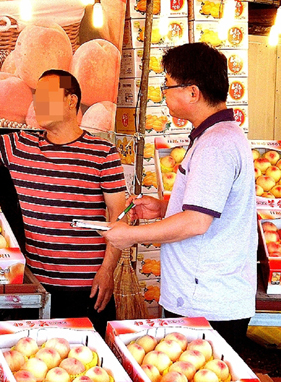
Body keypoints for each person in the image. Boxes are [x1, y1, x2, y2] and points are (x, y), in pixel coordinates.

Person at [0, 70, 127, 336]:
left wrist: (107, 271)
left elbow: (119, 216)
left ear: (72, 101)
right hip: (39, 286)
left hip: (90, 286)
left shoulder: (103, 153)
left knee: (91, 366)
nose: (38, 105)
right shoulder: (20, 145)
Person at [101, 42, 256, 350]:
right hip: (205, 295)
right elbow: (210, 203)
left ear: (193, 92)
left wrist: (130, 236)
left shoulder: (216, 145)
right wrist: (163, 206)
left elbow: (196, 222)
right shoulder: (216, 136)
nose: (164, 93)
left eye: (168, 84)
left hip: (208, 302)